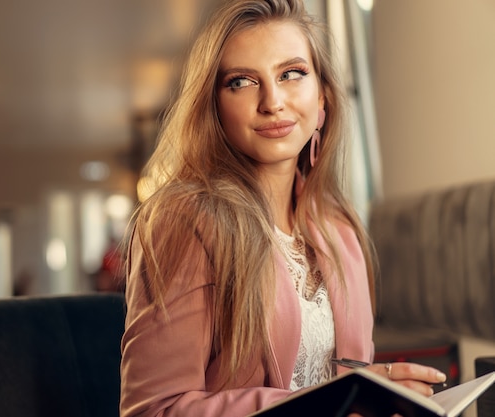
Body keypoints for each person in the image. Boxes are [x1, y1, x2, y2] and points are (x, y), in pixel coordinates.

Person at [119, 1, 448, 416]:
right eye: (241, 82)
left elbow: (353, 384)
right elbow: (155, 410)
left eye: (291, 74)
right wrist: (329, 402)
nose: (272, 101)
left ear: (323, 97)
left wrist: (380, 398)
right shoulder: (184, 221)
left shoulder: (340, 230)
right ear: (215, 108)